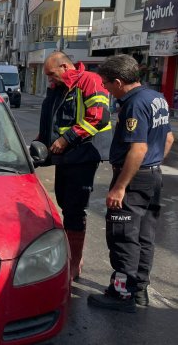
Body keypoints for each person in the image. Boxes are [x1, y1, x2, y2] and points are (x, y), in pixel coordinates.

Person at [88, 55, 174, 312]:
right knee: (145, 236)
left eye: (106, 84)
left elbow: (138, 148)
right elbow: (167, 138)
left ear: (118, 81)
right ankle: (139, 291)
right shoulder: (156, 98)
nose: (106, 89)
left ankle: (121, 294)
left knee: (123, 235)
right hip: (152, 175)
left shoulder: (134, 104)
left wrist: (120, 186)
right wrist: (151, 164)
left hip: (134, 178)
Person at [37, 51, 112, 281]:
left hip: (83, 155)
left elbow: (98, 117)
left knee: (74, 210)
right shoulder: (60, 88)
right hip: (66, 157)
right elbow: (50, 120)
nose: (50, 80)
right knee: (64, 203)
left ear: (65, 67)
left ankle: (73, 264)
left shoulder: (89, 81)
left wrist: (65, 139)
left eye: (51, 75)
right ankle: (69, 255)